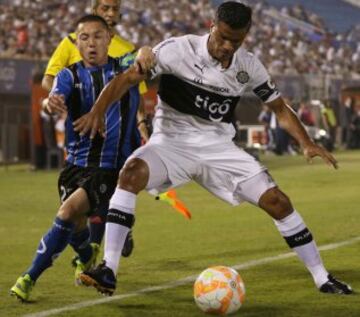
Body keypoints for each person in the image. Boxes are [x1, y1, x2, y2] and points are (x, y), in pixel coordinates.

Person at [75, 2, 353, 296]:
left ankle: (322, 278)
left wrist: (307, 143)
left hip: (219, 148)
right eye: (223, 37)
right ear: (212, 26)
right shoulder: (177, 50)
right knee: (130, 174)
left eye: (236, 40)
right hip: (171, 143)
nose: (227, 45)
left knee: (278, 202)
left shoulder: (249, 67)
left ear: (246, 36)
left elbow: (280, 108)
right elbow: (126, 77)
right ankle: (109, 269)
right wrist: (97, 110)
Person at [10, 15, 152, 302]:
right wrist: (51, 103)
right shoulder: (69, 75)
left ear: (109, 39)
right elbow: (52, 101)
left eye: (98, 36)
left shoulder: (123, 68)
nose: (91, 43)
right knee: (74, 227)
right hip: (75, 165)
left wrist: (147, 52)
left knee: (66, 212)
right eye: (84, 38)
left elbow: (146, 57)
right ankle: (88, 254)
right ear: (77, 42)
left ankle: (28, 278)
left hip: (110, 167)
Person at [41, 0, 149, 261]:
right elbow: (49, 79)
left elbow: (136, 95)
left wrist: (142, 126)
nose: (110, 13)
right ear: (94, 8)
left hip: (118, 133)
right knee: (78, 207)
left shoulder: (125, 49)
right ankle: (112, 229)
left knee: (105, 188)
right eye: (104, 8)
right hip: (82, 130)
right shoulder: (71, 41)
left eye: (114, 8)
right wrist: (60, 100)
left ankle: (98, 252)